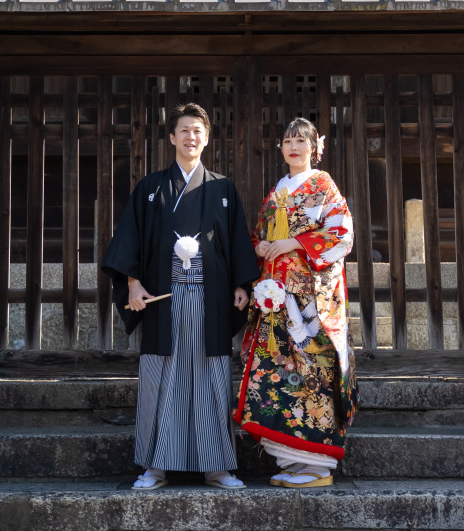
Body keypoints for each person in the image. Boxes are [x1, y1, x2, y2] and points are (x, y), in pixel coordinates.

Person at [102, 101, 259, 491]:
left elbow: (237, 242)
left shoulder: (222, 188)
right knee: (162, 377)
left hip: (210, 300)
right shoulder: (151, 188)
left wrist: (242, 284)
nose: (191, 137)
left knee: (211, 378)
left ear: (207, 140)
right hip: (163, 299)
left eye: (198, 131)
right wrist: (133, 283)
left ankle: (217, 466)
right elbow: (130, 240)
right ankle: (155, 466)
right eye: (184, 130)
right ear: (172, 137)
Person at [235, 117, 357, 488]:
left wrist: (294, 244)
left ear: (314, 148)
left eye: (301, 141)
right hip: (275, 295)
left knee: (309, 372)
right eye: (287, 140)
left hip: (307, 301)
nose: (293, 146)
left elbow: (341, 233)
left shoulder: (323, 184)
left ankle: (318, 466)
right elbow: (260, 232)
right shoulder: (277, 191)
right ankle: (291, 458)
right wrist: (260, 246)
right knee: (276, 371)